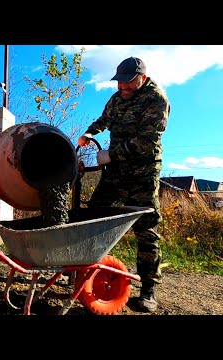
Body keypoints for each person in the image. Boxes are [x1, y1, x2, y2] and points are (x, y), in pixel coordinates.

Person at [77, 57, 170, 313]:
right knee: (93, 216)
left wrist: (110, 155)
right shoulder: (117, 98)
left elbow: (147, 141)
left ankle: (148, 290)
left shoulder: (156, 100)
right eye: (120, 82)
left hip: (142, 173)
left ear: (142, 77)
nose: (123, 87)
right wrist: (90, 133)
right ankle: (86, 276)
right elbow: (104, 119)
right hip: (116, 174)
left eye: (128, 82)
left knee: (146, 229)